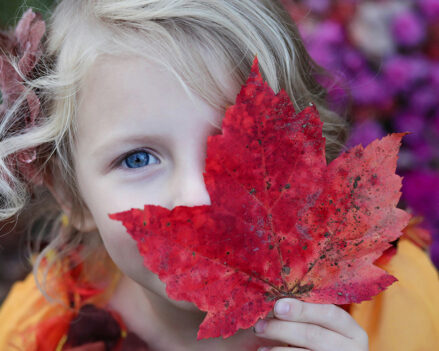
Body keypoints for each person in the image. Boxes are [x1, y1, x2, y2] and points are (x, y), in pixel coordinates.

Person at [0, 1, 438, 350]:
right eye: (137, 159)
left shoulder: (400, 308)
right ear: (71, 197)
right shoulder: (34, 333)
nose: (197, 198)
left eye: (237, 143)